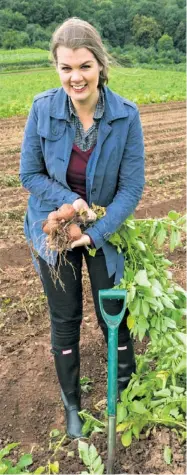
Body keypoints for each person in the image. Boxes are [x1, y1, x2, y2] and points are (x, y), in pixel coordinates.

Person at [20, 17, 145, 439]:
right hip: (53, 228)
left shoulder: (126, 117)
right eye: (66, 68)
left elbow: (131, 187)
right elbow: (29, 175)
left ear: (100, 65)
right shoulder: (42, 109)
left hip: (103, 229)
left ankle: (125, 389)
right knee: (65, 317)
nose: (76, 77)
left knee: (115, 312)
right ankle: (73, 404)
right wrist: (70, 204)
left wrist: (94, 231)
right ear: (57, 69)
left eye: (84, 66)